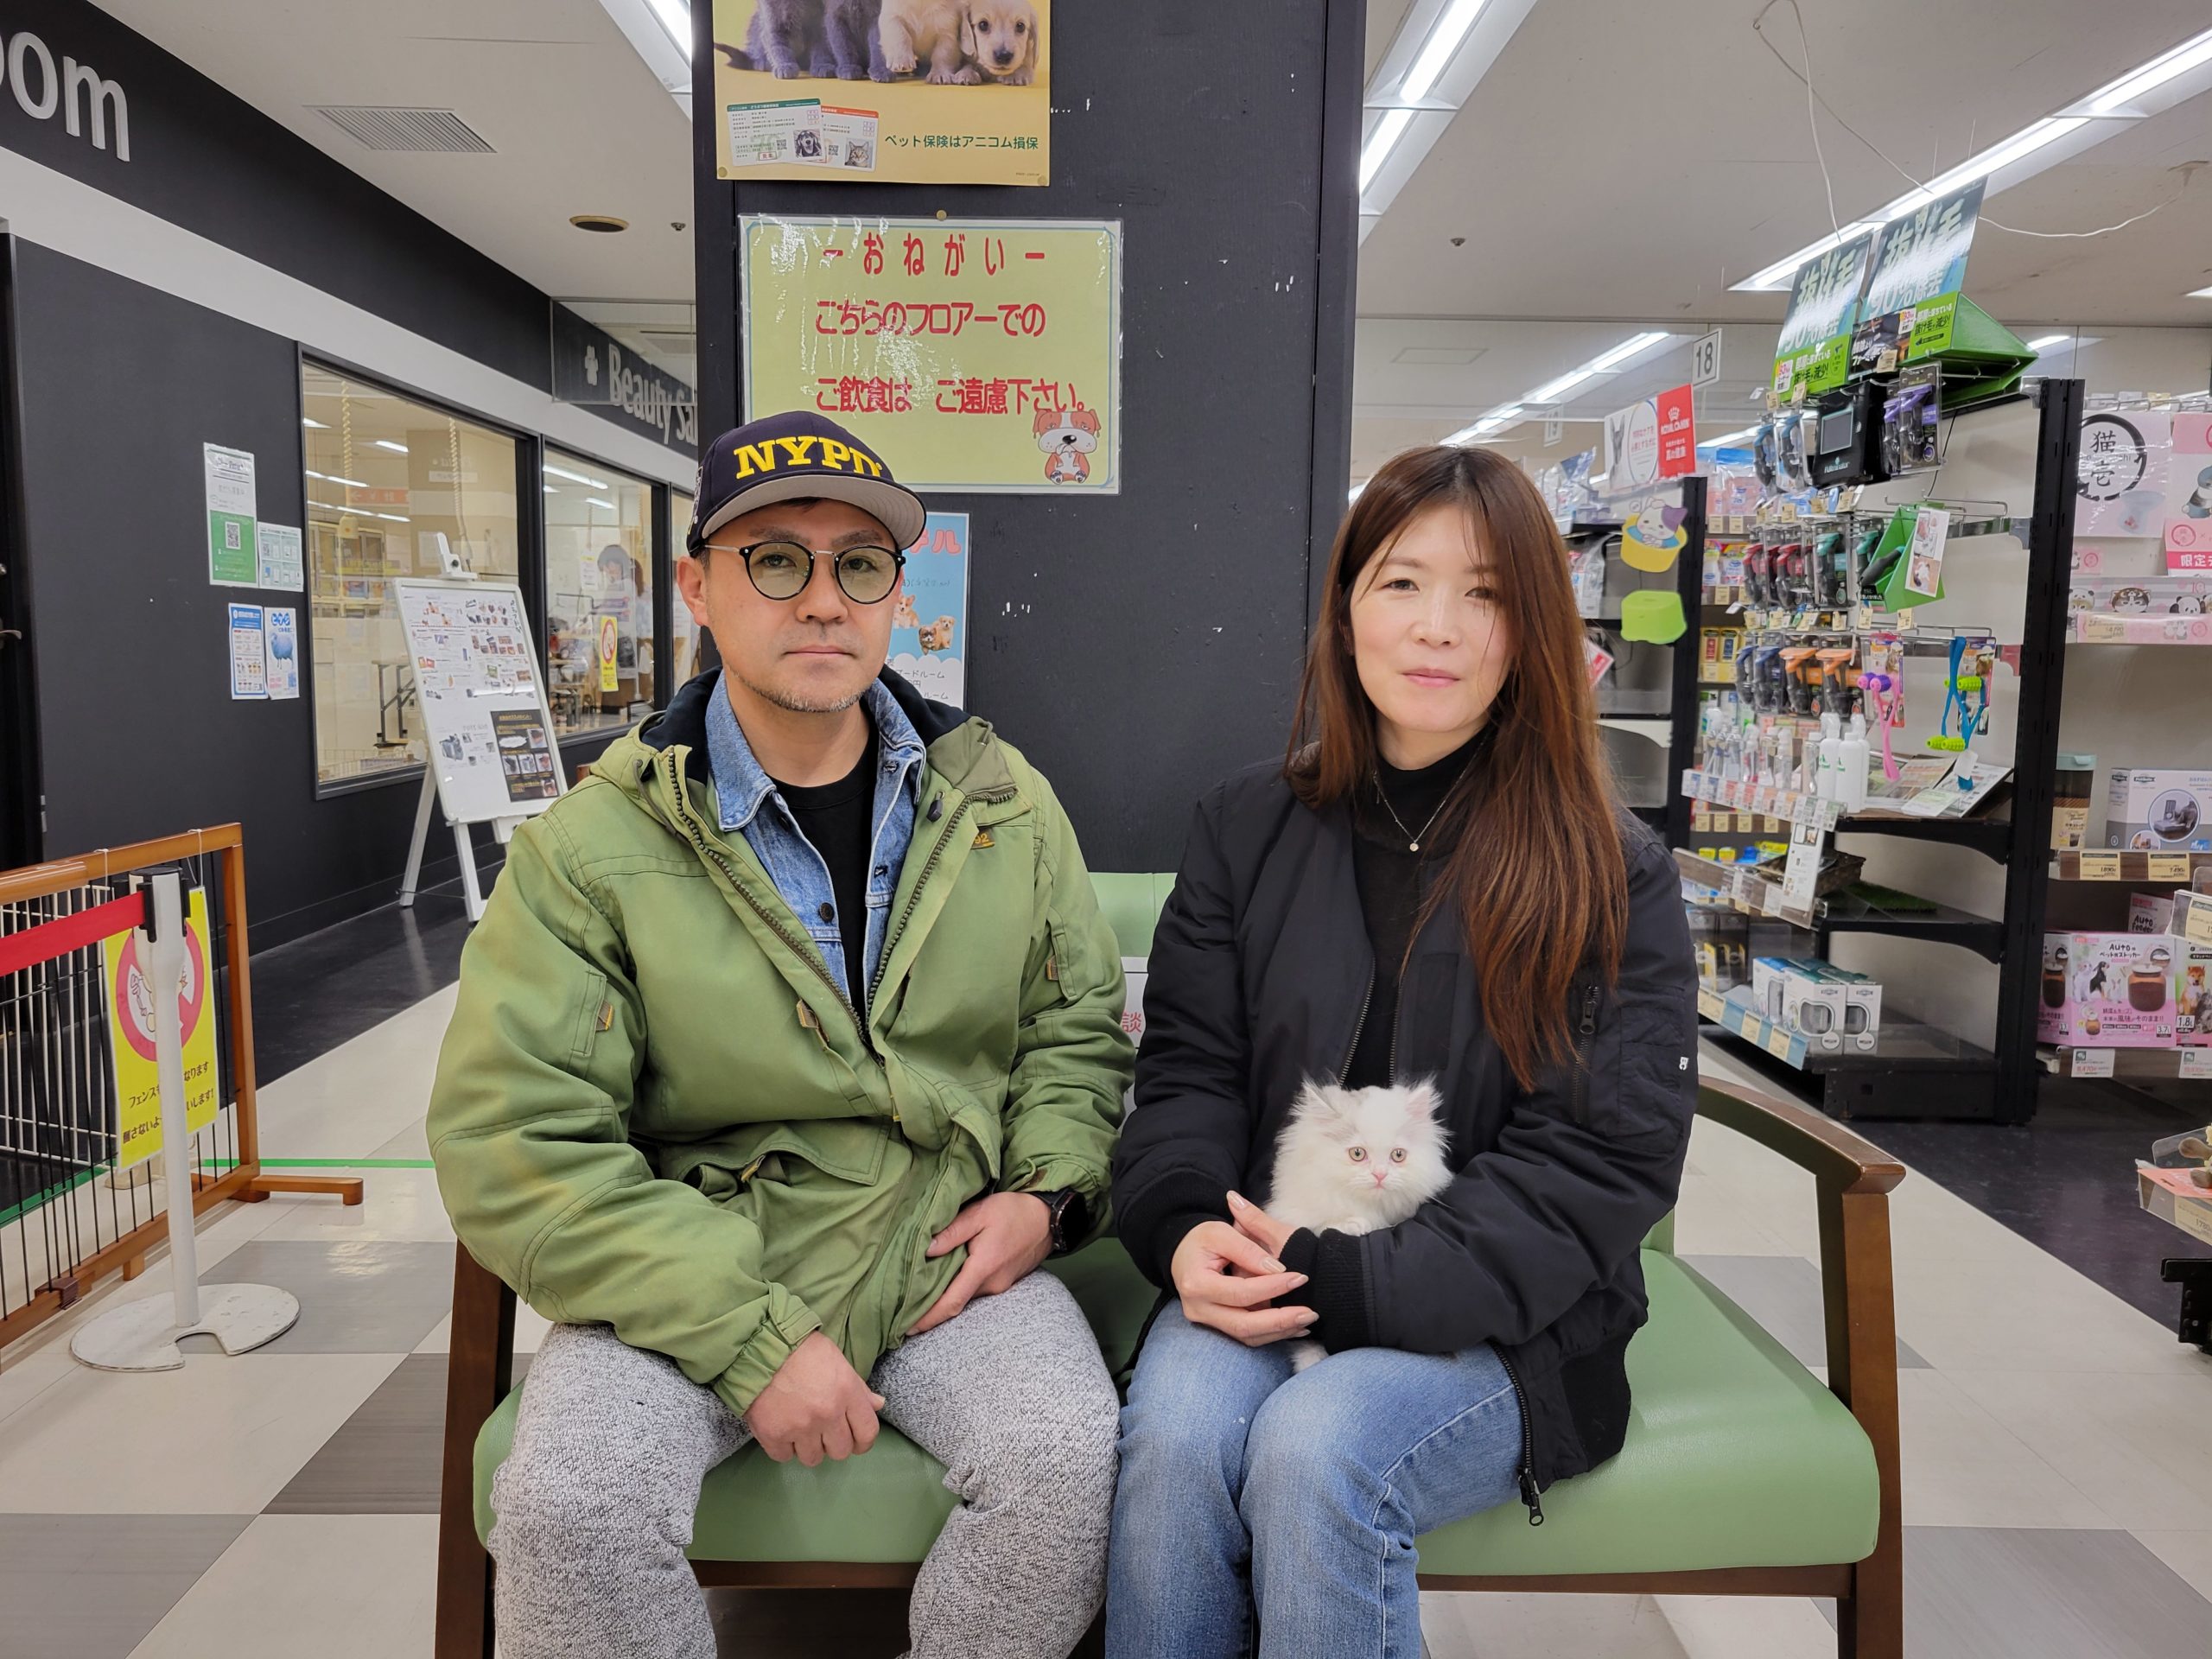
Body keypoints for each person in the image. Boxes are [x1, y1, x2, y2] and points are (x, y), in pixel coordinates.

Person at [429, 410, 1132, 1659]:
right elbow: (519, 1139)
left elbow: (1072, 1031)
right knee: (571, 1506)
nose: (821, 599)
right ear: (698, 587)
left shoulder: (1002, 807)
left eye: (858, 564)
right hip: (697, 1257)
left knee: (1065, 1454)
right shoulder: (592, 848)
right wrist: (755, 1342)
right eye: (774, 560)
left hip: (943, 1246)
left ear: (897, 596)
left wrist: (1046, 1195)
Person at [1106, 443, 1698, 1658]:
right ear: (1345, 611)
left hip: (1513, 1322)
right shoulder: (1243, 829)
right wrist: (1182, 1226)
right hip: (1265, 1263)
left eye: (1485, 594)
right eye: (1402, 584)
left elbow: (1601, 1158)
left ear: (1533, 633)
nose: (1438, 628)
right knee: (1173, 1443)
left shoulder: (1608, 869)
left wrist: (1363, 1286)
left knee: (1317, 1447)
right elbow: (1188, 1073)